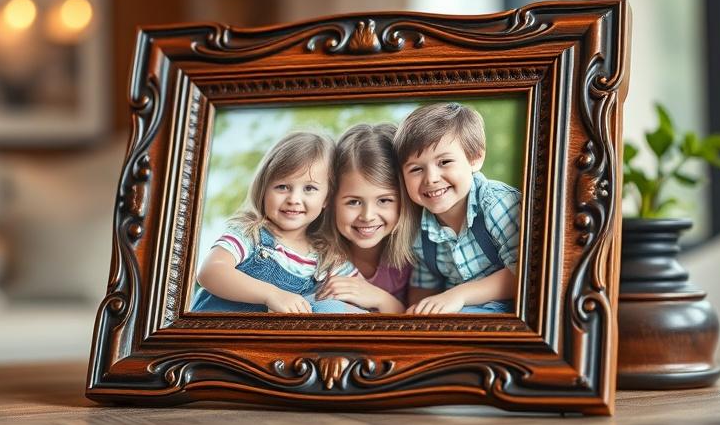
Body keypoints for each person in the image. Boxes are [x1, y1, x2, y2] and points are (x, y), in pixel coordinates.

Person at [190, 131, 366, 314]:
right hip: (215, 329)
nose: (294, 199)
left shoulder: (327, 257)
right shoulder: (250, 234)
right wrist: (271, 294)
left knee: (329, 307)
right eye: (282, 187)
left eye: (309, 188)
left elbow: (361, 298)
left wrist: (381, 299)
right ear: (264, 189)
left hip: (270, 333)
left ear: (327, 198)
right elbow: (210, 272)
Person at [393, 102, 521, 314]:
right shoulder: (419, 231)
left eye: (444, 162)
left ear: (475, 158)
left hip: (509, 310)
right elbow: (424, 287)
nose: (431, 178)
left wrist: (459, 295)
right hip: (459, 313)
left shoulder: (498, 204)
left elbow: (525, 274)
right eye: (416, 169)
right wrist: (417, 311)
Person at [316, 123, 412, 313]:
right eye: (353, 202)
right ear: (331, 200)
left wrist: (382, 299)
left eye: (384, 200)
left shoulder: (416, 257)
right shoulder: (316, 256)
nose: (367, 216)